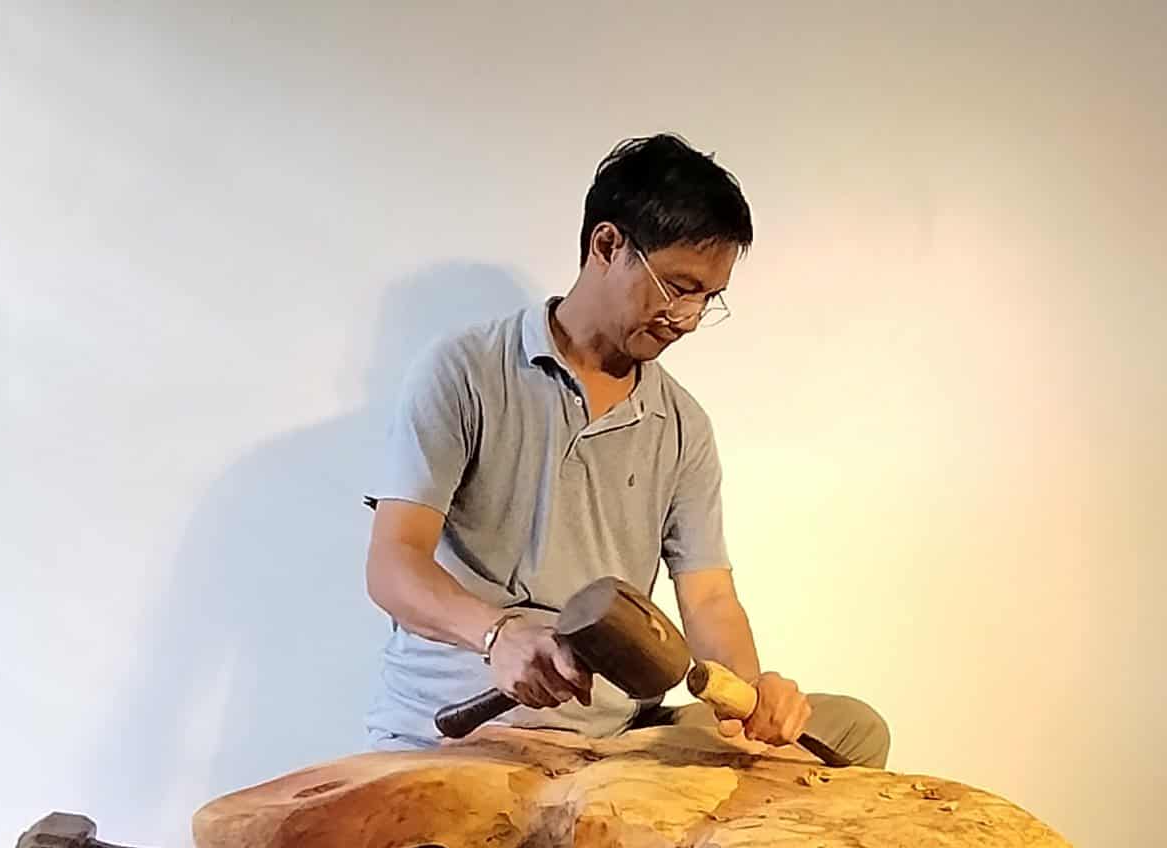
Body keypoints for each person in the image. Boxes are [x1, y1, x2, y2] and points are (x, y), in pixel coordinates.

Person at [362, 134, 889, 769]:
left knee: (853, 730)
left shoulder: (682, 425)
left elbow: (709, 598)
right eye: (678, 287)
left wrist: (749, 698)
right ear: (607, 245)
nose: (688, 318)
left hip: (611, 744)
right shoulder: (464, 370)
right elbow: (394, 562)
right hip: (461, 728)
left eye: (708, 298)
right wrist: (498, 634)